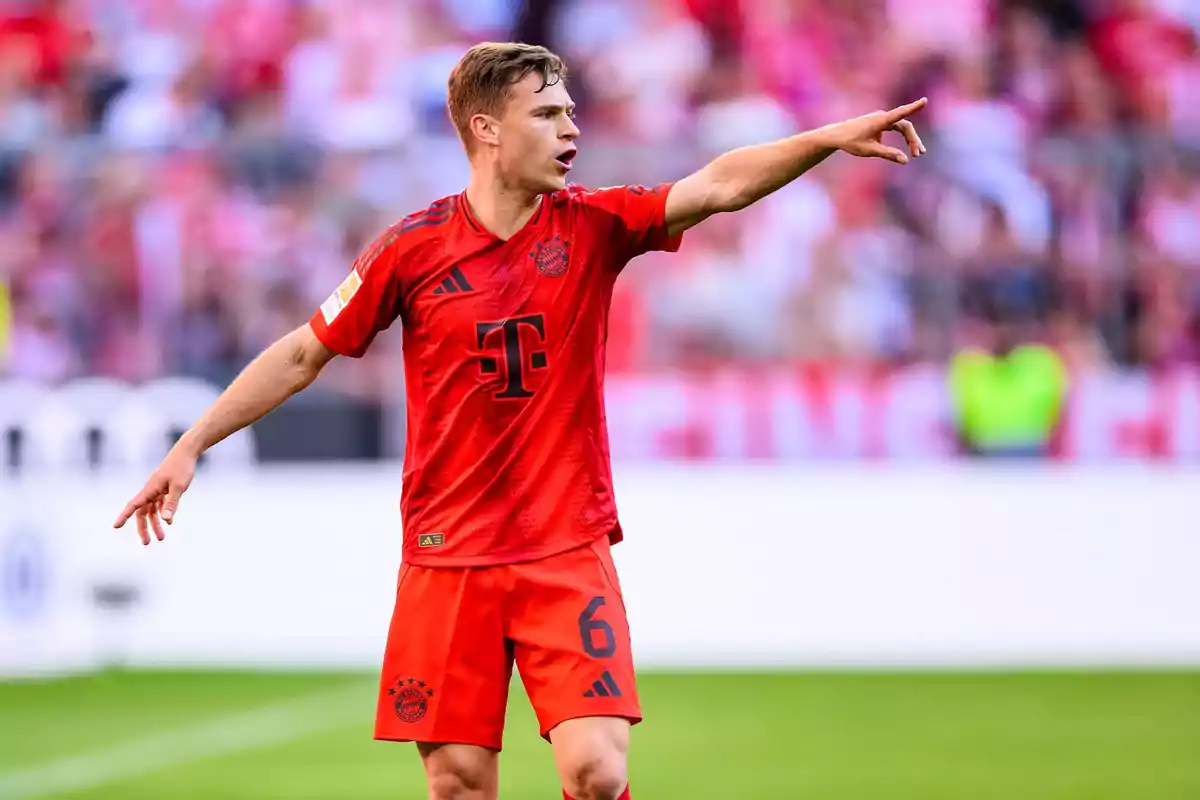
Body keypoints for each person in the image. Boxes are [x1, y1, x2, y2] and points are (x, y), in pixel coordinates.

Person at [114, 42, 927, 800]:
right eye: (548, 114)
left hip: (563, 550)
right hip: (447, 556)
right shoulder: (410, 249)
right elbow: (302, 353)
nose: (570, 127)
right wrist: (192, 444)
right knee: (459, 783)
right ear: (486, 128)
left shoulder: (596, 225)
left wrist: (827, 138)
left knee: (597, 770)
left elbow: (718, 184)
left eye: (571, 112)